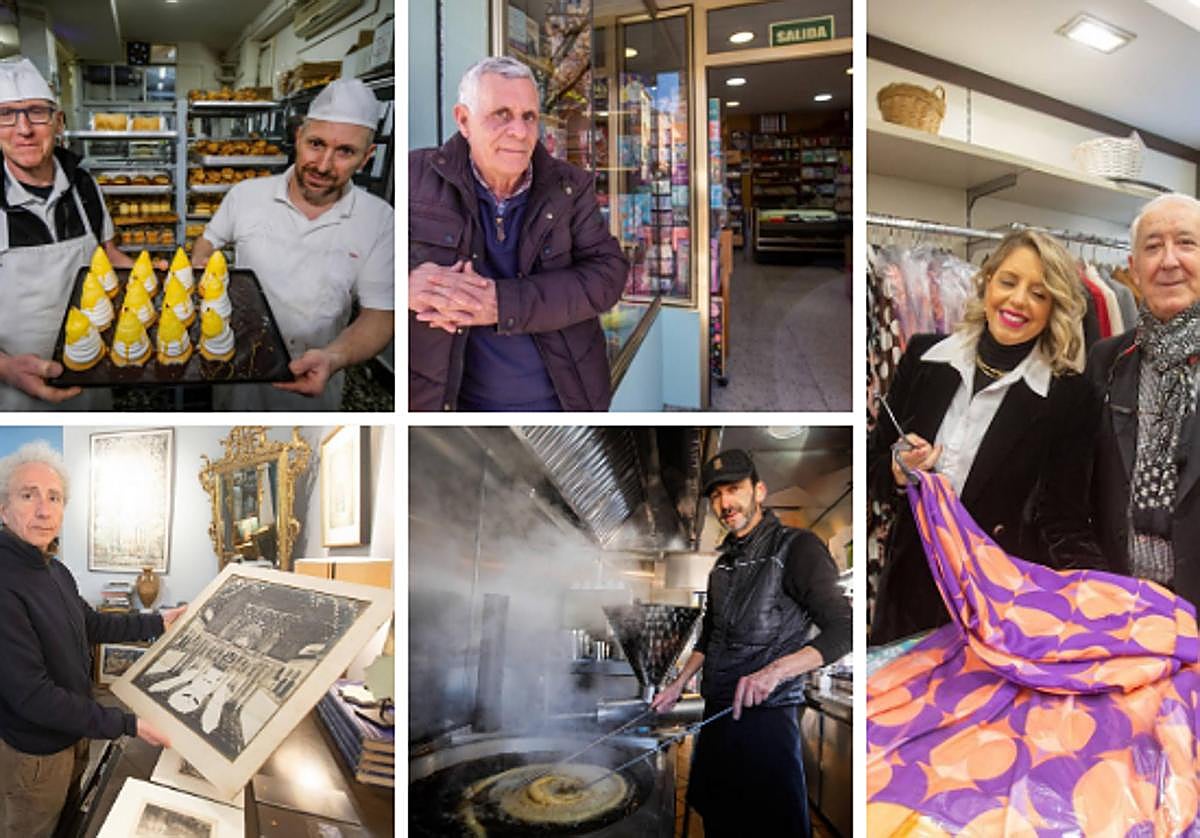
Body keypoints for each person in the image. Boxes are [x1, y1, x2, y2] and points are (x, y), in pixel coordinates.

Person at [868, 229, 1106, 646]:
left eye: (1039, 292)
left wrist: (1095, 600)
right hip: (909, 598)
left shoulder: (1070, 395)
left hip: (1000, 608)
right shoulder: (925, 358)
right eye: (1009, 282)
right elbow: (874, 467)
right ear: (988, 281)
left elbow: (1064, 518)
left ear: (1055, 307)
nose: (1017, 301)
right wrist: (897, 470)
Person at [408, 56, 627, 411]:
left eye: (529, 117)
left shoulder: (569, 186)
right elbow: (359, 260)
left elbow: (609, 274)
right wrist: (403, 283)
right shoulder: (414, 177)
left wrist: (504, 303)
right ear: (463, 120)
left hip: (564, 402)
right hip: (448, 409)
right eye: (502, 115)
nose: (520, 132)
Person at [652, 450, 852, 838]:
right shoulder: (722, 566)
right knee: (719, 823)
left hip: (768, 721)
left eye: (734, 489)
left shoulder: (798, 548)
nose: (725, 503)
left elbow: (843, 628)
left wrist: (774, 672)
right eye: (715, 495)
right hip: (718, 717)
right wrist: (679, 682)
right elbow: (710, 634)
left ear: (758, 491)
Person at [0, 441, 185, 838]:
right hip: (34, 752)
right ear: (3, 509)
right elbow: (31, 695)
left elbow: (92, 624)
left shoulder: (55, 570)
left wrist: (159, 622)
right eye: (27, 495)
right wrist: (125, 723)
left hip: (74, 733)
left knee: (68, 825)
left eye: (54, 497)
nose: (44, 510)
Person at [192, 77, 394, 411]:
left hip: (316, 377)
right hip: (235, 365)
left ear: (367, 157)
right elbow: (208, 242)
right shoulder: (246, 195)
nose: (324, 165)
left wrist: (334, 357)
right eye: (316, 144)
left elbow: (380, 315)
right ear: (298, 136)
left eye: (345, 152)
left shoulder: (380, 220)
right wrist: (199, 272)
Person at [0, 57, 135, 410]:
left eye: (36, 113)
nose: (23, 129)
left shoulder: (84, 185)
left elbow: (106, 254)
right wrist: (6, 368)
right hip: (12, 392)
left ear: (59, 122)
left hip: (92, 374)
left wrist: (146, 276)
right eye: (6, 115)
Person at [1088, 193, 1200, 608]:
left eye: (1186, 243)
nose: (1169, 260)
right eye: (1153, 246)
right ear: (1134, 269)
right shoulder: (1105, 359)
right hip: (1121, 605)